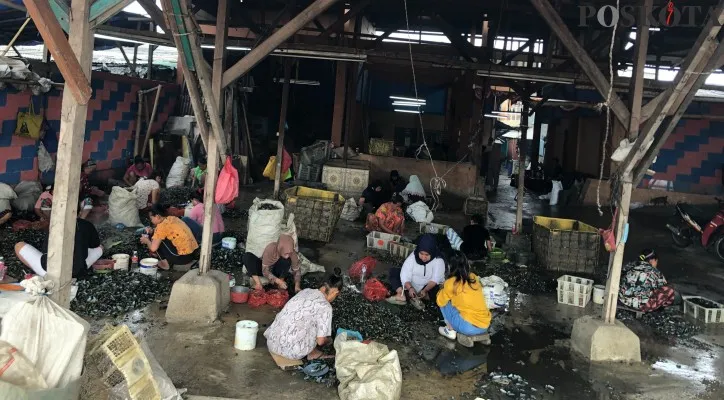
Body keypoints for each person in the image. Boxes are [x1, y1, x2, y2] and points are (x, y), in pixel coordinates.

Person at [264, 273, 343, 361]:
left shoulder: (305, 291)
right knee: (317, 331)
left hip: (272, 342)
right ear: (335, 292)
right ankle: (313, 353)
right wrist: (327, 340)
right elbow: (320, 342)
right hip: (291, 352)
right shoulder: (325, 306)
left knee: (304, 320)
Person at [15, 218, 102, 278]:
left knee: (18, 246)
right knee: (100, 247)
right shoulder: (86, 224)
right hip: (77, 273)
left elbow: (45, 251)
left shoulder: (53, 225)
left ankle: (41, 274)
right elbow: (95, 245)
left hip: (50, 274)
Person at [436, 252, 492, 346]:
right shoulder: (473, 277)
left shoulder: (451, 282)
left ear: (449, 267)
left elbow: (440, 301)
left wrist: (442, 288)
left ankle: (450, 330)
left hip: (467, 328)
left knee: (443, 300)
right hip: (484, 325)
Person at [387, 234, 446, 309]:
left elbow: (435, 279)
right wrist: (410, 288)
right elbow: (405, 275)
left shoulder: (438, 260)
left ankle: (417, 297)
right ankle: (401, 294)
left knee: (441, 291)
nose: (423, 257)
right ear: (418, 251)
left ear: (432, 252)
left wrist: (425, 290)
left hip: (427, 286)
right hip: (412, 284)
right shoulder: (413, 257)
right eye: (421, 254)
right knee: (394, 272)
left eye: (427, 255)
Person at [140, 204, 199, 270]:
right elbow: (168, 231)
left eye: (151, 218)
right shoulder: (173, 218)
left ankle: (165, 264)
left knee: (156, 240)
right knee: (157, 236)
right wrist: (153, 231)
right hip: (192, 254)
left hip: (182, 258)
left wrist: (147, 240)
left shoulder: (161, 227)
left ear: (157, 216)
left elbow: (153, 248)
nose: (151, 221)